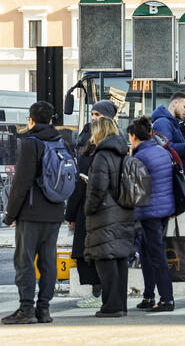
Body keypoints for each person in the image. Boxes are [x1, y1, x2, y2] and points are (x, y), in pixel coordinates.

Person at [1, 102, 66, 324]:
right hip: (55, 211)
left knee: (25, 262)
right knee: (48, 262)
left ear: (31, 120)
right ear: (50, 120)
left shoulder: (30, 143)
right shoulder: (60, 141)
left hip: (31, 213)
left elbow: (21, 183)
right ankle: (44, 309)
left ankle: (26, 309)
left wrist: (10, 215)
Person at [66, 101, 118, 309]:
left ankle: (98, 292)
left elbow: (81, 184)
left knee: (89, 252)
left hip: (90, 208)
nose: (93, 117)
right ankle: (102, 293)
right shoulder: (116, 146)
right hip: (110, 209)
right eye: (93, 113)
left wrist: (70, 214)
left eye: (97, 114)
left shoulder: (94, 150)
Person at [84, 117, 133, 318]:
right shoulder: (123, 152)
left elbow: (97, 188)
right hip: (124, 210)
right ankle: (120, 304)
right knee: (120, 258)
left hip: (105, 214)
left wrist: (88, 208)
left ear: (99, 133)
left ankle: (111, 306)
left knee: (105, 259)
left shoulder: (102, 156)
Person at [129, 117, 176, 312]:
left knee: (155, 255)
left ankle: (166, 298)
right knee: (148, 254)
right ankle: (149, 295)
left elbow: (135, 188)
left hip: (149, 211)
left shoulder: (140, 157)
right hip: (164, 209)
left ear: (133, 136)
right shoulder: (161, 151)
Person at [152, 92, 185, 180]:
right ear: (175, 103)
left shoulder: (171, 123)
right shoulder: (163, 123)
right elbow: (168, 148)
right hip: (174, 178)